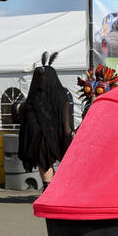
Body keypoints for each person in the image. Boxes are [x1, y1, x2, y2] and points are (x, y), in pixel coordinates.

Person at [18, 52, 74, 188]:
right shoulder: (60, 98)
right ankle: (51, 189)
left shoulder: (34, 99)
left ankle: (50, 189)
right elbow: (66, 128)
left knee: (45, 164)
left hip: (41, 140)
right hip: (45, 139)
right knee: (45, 164)